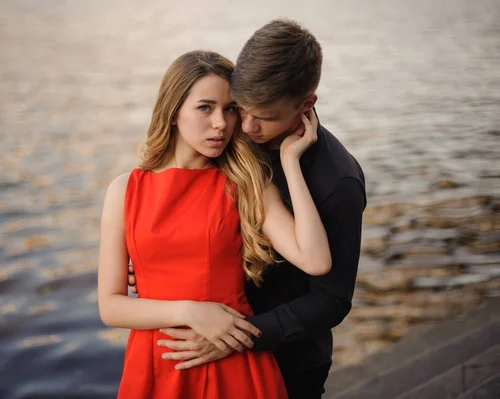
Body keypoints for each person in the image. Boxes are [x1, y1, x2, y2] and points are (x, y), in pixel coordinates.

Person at [145, 20, 367, 399]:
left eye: (264, 116)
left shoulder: (338, 181)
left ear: (307, 104)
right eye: (240, 108)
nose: (245, 127)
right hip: (202, 346)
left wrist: (239, 336)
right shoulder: (230, 139)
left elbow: (331, 300)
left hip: (287, 360)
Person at [97, 50, 331, 398]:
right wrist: (190, 311)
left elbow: (316, 260)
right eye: (205, 108)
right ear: (174, 111)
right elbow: (111, 306)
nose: (221, 123)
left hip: (232, 362)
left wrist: (290, 162)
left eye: (230, 109)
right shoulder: (124, 191)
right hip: (157, 364)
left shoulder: (244, 183)